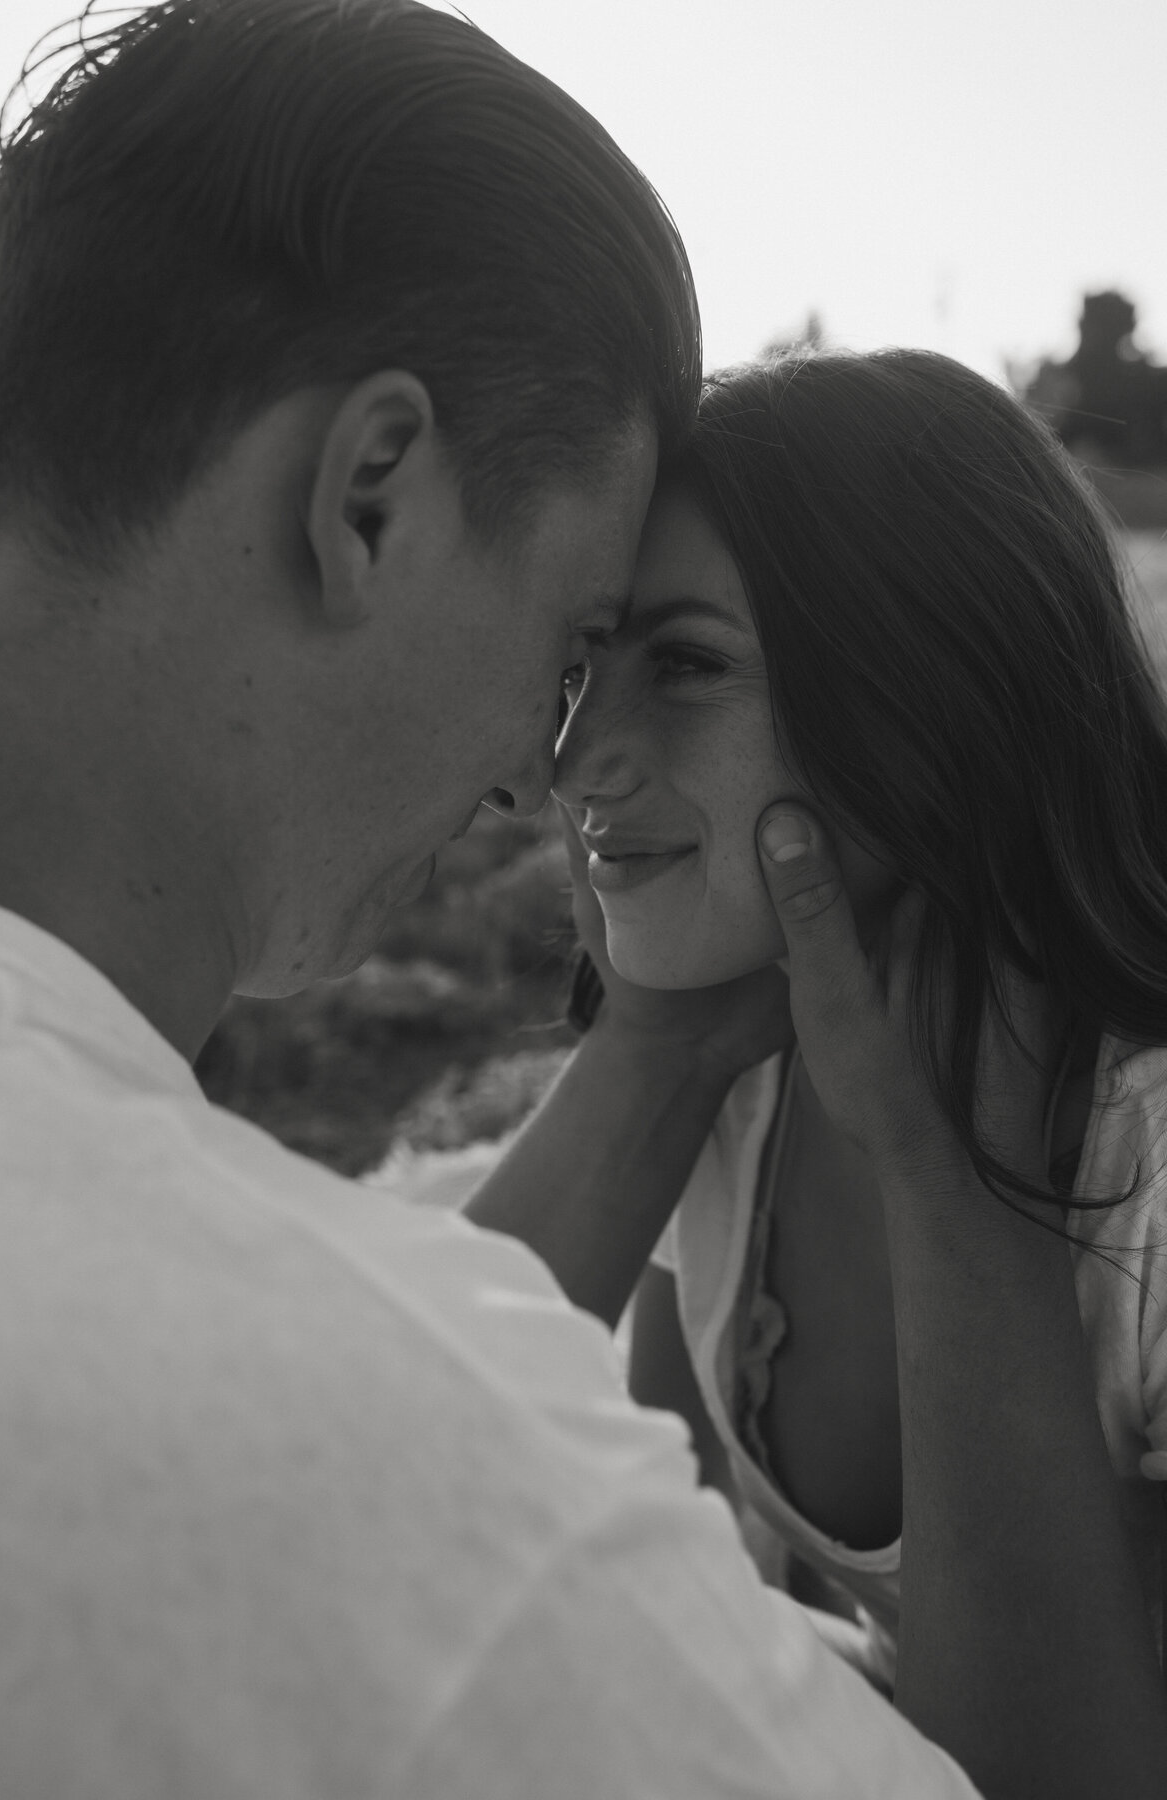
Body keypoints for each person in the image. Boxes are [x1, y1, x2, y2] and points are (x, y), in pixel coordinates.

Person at [0, 2, 985, 1795]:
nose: (545, 769)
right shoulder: (378, 1471)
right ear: (369, 497)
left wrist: (666, 1060)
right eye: (580, 638)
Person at [468, 348, 1167, 1798]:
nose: (575, 758)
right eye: (586, 665)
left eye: (688, 665)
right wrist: (660, 1047)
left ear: (936, 707)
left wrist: (947, 1178)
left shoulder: (1147, 1166)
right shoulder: (741, 1079)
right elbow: (421, 1485)